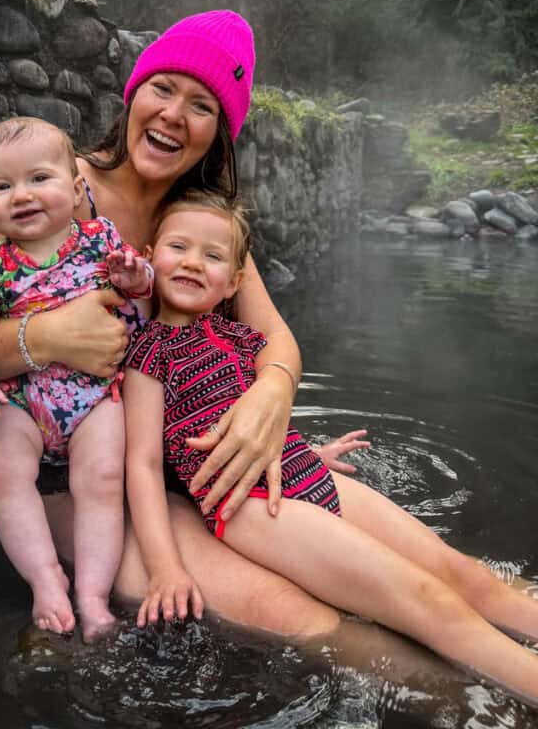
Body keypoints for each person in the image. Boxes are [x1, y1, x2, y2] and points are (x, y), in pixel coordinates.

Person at [0, 10, 522, 667]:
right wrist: (51, 336)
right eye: (163, 88)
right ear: (133, 93)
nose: (174, 114)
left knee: (459, 576)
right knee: (309, 621)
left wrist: (271, 401)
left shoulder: (198, 224)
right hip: (79, 478)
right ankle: (465, 709)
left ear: (219, 132)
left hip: (186, 459)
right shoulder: (49, 186)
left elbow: (275, 340)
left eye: (202, 104)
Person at [123, 190, 538, 705]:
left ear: (233, 282)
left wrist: (306, 452)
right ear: (147, 257)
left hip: (303, 476)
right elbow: (142, 464)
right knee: (430, 602)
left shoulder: (237, 338)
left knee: (464, 575)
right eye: (178, 247)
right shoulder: (149, 355)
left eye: (211, 255)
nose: (191, 262)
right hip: (252, 506)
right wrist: (165, 566)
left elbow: (257, 420)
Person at [0, 116, 152, 640]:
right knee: (1, 470)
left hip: (94, 397)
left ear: (78, 189)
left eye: (39, 179)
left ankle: (93, 595)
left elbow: (142, 291)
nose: (21, 195)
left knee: (102, 482)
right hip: (22, 401)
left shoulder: (100, 241)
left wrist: (135, 277)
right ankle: (44, 579)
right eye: (2, 186)